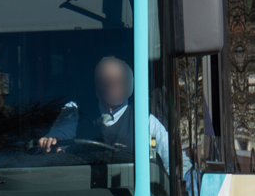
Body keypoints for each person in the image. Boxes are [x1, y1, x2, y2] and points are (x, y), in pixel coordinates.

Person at [40, 57, 170, 168]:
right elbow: (62, 133)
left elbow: (171, 160)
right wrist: (54, 140)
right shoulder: (75, 111)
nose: (113, 85)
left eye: (118, 80)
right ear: (97, 84)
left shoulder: (145, 120)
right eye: (107, 80)